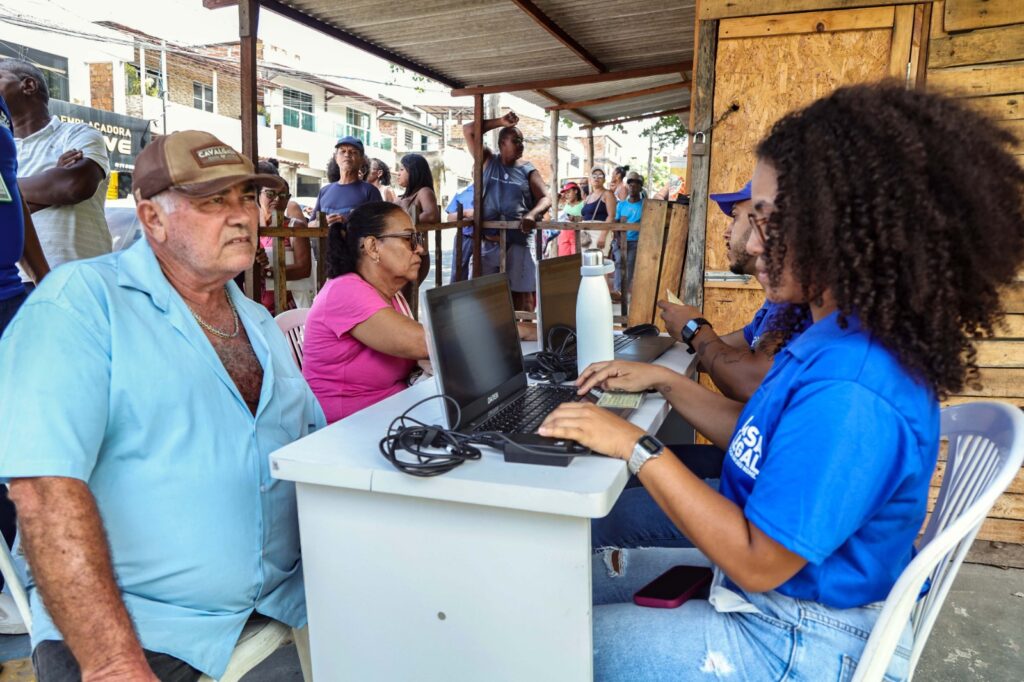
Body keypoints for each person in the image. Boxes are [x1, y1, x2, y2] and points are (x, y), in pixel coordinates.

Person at [538, 82, 1024, 680]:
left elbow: (758, 560)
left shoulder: (853, 389)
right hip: (776, 604)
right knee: (555, 586)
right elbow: (757, 437)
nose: (750, 241)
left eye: (768, 221)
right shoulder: (833, 336)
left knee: (540, 646)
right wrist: (665, 382)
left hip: (800, 637)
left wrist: (634, 444)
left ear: (840, 227)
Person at [0, 130, 326, 681]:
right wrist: (112, 663)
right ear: (152, 218)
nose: (241, 215)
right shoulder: (81, 303)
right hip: (137, 635)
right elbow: (43, 491)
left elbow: (311, 451)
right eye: (212, 201)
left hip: (280, 608)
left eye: (247, 196)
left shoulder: (256, 321)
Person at [659, 180, 810, 403]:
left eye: (735, 217)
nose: (726, 233)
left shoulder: (800, 303)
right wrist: (660, 360)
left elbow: (751, 383)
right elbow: (722, 352)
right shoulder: (775, 305)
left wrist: (694, 329)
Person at [302, 202, 429, 423]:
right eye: (409, 239)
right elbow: (424, 344)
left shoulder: (390, 293)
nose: (420, 249)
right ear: (372, 247)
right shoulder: (344, 291)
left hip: (388, 415)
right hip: (343, 428)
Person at [0, 91, 49, 635]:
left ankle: (16, 577)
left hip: (12, 295)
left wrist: (44, 277)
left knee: (25, 443)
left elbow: (10, 191)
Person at [0, 59, 110, 281]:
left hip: (81, 278)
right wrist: (50, 181)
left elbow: (74, 186)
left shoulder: (78, 134)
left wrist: (7, 190)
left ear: (28, 85)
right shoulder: (3, 150)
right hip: (17, 283)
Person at [462, 110, 552, 311]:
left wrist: (531, 215)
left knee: (523, 299)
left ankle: (522, 329)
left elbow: (546, 198)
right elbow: (468, 130)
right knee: (484, 296)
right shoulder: (487, 160)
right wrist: (500, 122)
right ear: (502, 143)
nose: (521, 145)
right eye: (516, 141)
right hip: (488, 242)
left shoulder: (528, 169)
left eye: (522, 141)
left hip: (518, 241)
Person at [254, 160, 312, 313]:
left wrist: (267, 273)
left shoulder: (295, 227)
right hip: (255, 306)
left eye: (283, 195)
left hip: (287, 308)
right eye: (270, 194)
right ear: (258, 195)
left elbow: (304, 269)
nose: (277, 199)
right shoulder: (251, 227)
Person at [312, 135, 381, 227]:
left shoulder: (370, 191)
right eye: (342, 151)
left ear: (362, 160)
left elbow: (379, 226)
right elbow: (310, 224)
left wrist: (348, 223)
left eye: (353, 152)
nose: (347, 155)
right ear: (336, 158)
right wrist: (321, 222)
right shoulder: (324, 191)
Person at [581, 166, 618, 298]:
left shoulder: (607, 194)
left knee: (600, 263)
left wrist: (603, 235)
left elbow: (611, 216)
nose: (597, 178)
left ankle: (602, 296)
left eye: (600, 176)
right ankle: (590, 294)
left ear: (604, 179)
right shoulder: (588, 196)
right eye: (594, 176)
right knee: (587, 264)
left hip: (599, 232)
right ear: (590, 179)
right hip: (586, 234)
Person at [612, 171, 644, 295]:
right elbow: (615, 223)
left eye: (636, 185)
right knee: (619, 262)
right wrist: (618, 239)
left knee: (629, 265)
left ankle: (623, 291)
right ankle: (617, 291)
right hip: (620, 240)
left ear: (640, 188)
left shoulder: (645, 205)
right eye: (630, 185)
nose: (632, 187)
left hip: (635, 241)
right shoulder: (621, 205)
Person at [556, 181, 586, 256]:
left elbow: (587, 218)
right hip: (564, 234)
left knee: (576, 257)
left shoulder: (583, 204)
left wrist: (576, 218)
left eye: (569, 192)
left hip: (577, 234)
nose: (567, 195)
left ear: (576, 191)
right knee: (563, 258)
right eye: (565, 193)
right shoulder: (565, 205)